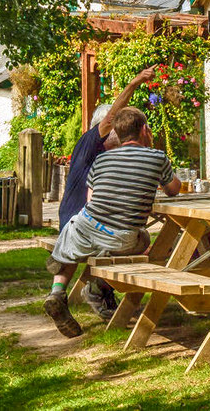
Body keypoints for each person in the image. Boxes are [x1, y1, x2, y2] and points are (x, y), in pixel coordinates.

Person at [44, 107, 181, 337]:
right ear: (145, 130)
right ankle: (98, 287)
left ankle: (57, 292)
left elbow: (91, 199)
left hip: (86, 226)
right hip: (121, 238)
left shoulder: (101, 159)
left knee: (73, 238)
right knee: (144, 237)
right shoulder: (157, 157)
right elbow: (174, 190)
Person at [56, 65, 157, 232]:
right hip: (76, 226)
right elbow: (111, 118)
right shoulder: (88, 143)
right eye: (118, 126)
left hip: (98, 227)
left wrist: (146, 142)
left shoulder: (117, 154)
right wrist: (135, 83)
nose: (123, 129)